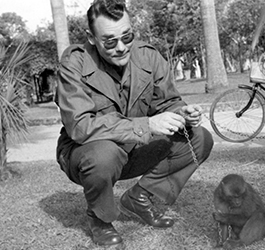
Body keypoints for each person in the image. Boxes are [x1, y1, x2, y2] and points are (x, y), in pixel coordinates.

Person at [54, 0, 214, 248]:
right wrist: (147, 125)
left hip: (132, 149)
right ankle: (99, 218)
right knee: (103, 154)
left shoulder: (149, 56)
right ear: (91, 38)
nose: (121, 47)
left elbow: (167, 102)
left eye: (127, 37)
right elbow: (80, 126)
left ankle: (139, 198)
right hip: (87, 153)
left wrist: (182, 113)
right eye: (109, 41)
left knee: (199, 138)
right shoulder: (74, 64)